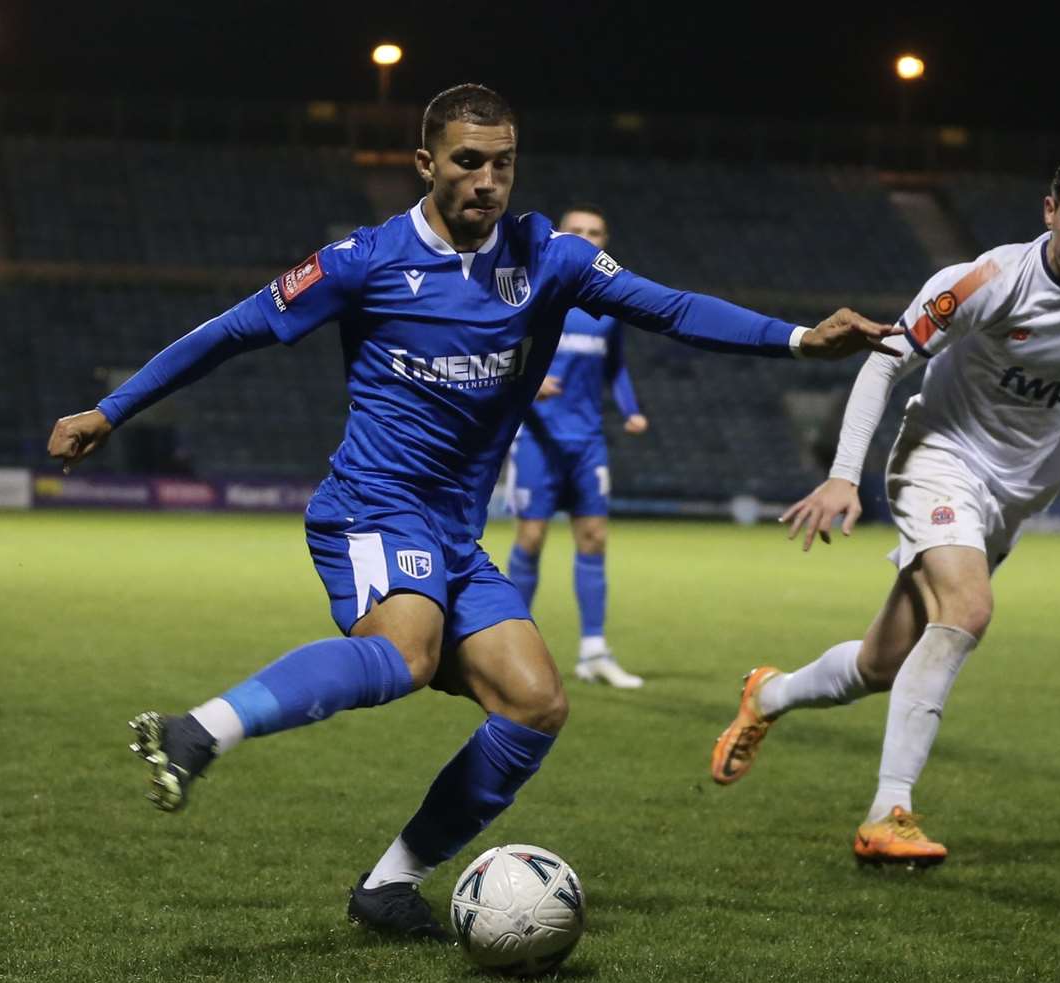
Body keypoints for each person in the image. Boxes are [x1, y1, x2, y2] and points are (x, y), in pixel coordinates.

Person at [46, 83, 895, 938]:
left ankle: (388, 886)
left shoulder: (549, 256)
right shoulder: (363, 261)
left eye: (504, 163)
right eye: (467, 162)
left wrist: (797, 339)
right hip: (371, 507)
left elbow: (668, 308)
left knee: (534, 702)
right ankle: (196, 731)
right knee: (406, 652)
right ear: (425, 163)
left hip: (453, 530)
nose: (489, 180)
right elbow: (229, 331)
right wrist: (110, 410)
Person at [709, 150, 1060, 868]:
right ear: (1049, 210)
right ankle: (889, 811)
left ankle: (770, 694)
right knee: (969, 609)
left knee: (881, 664)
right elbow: (888, 358)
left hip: (1018, 491)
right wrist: (842, 475)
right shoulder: (986, 282)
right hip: (939, 459)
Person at [505, 204, 648, 689]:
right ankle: (504, 644)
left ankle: (593, 652)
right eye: (577, 231)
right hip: (536, 440)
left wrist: (629, 407)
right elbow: (498, 351)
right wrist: (528, 377)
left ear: (606, 240)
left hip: (586, 442)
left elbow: (617, 365)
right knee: (530, 539)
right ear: (560, 237)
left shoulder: (608, 307)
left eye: (596, 232)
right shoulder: (533, 295)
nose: (586, 238)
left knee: (594, 539)